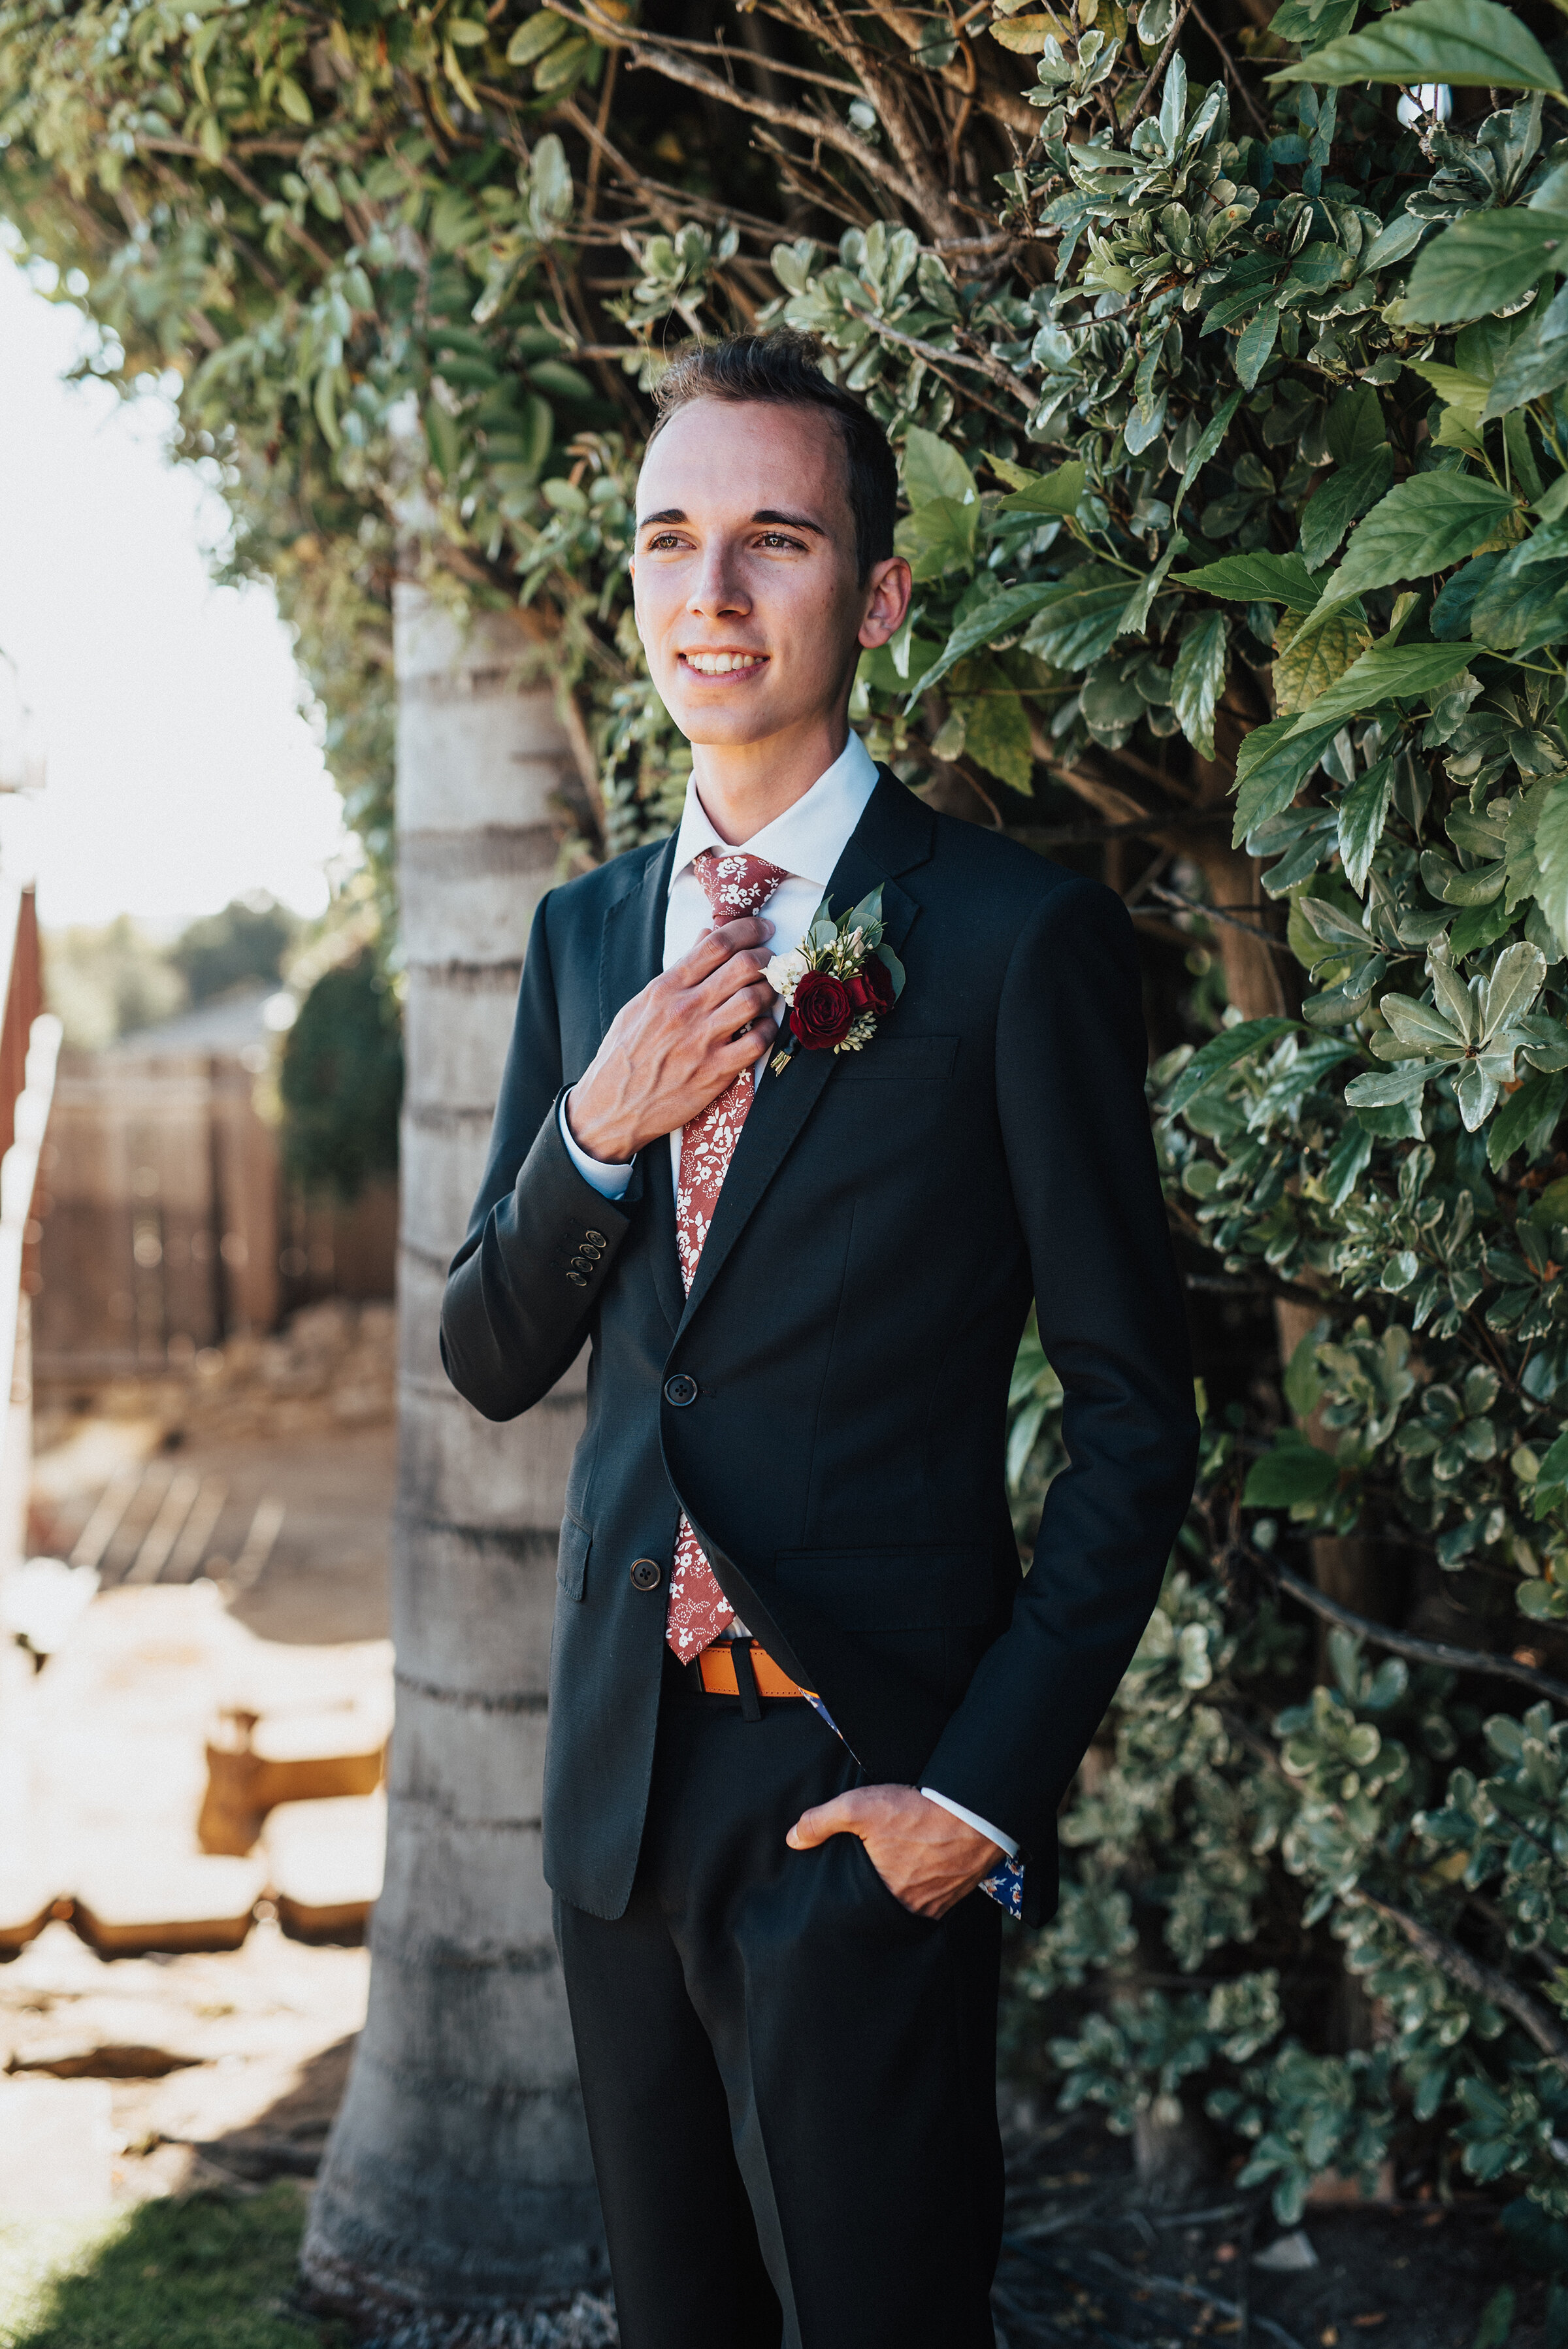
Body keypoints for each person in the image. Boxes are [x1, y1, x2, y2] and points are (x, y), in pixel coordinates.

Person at [440, 331, 1199, 2349]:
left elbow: (1138, 1420)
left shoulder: (1015, 941)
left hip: (866, 1788)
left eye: (774, 540)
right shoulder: (584, 939)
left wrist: (980, 1794)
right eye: (671, 540)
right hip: (622, 1786)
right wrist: (596, 1131)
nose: (713, 590)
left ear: (871, 595)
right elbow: (492, 1356)